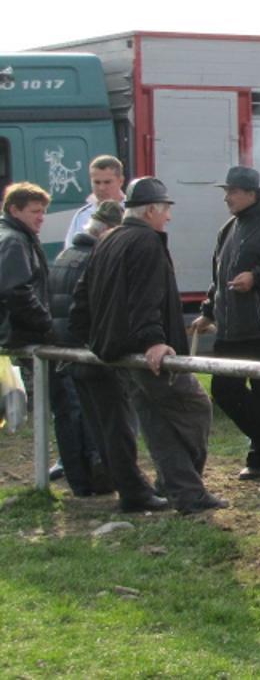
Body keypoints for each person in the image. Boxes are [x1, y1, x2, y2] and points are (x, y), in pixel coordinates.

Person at [70, 176, 226, 514]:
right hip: (146, 352)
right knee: (195, 409)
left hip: (117, 354)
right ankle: (183, 487)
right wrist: (154, 341)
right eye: (166, 209)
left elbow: (82, 297)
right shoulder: (147, 242)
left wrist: (89, 337)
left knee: (157, 423)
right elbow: (146, 298)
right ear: (151, 210)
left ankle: (183, 492)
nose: (169, 217)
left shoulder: (107, 240)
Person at [191, 166, 260, 481]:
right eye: (226, 191)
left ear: (251, 194)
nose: (227, 198)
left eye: (232, 192)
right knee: (225, 390)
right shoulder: (228, 229)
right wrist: (208, 311)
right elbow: (219, 277)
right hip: (232, 328)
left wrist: (257, 277)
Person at [47, 199, 122, 497]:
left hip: (60, 346)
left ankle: (78, 482)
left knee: (68, 416)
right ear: (108, 230)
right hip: (83, 347)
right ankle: (99, 477)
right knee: (93, 416)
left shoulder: (65, 255)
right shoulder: (95, 259)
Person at [0, 183, 55, 398]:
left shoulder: (11, 235)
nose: (41, 218)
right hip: (19, 334)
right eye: (35, 211)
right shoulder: (14, 240)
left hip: (13, 333)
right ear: (14, 210)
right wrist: (47, 324)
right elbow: (17, 291)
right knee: (60, 398)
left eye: (43, 212)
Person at [63, 155, 127, 250]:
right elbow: (70, 250)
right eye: (97, 182)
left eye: (107, 182)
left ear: (121, 181)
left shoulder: (133, 212)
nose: (102, 188)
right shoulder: (82, 215)